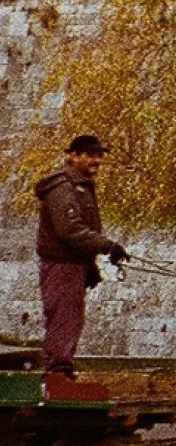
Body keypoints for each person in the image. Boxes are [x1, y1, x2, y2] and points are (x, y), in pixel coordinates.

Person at [34, 134, 128, 392]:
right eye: (90, 155)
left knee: (70, 316)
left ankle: (60, 371)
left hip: (72, 264)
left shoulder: (81, 186)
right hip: (61, 265)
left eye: (99, 155)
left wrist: (90, 266)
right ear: (72, 156)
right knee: (64, 317)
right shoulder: (63, 189)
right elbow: (70, 231)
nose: (96, 160)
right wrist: (106, 246)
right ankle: (57, 375)